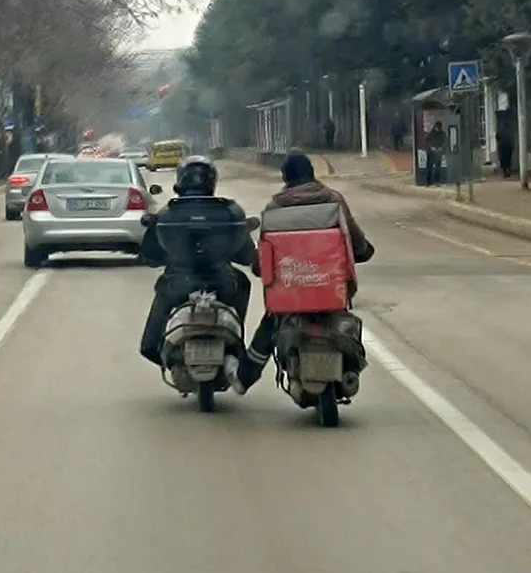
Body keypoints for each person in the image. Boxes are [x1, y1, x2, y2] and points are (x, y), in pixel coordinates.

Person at [225, 151, 374, 395]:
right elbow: (354, 238)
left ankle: (243, 379)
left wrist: (259, 267)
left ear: (285, 178)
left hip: (291, 294)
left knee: (271, 325)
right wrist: (364, 251)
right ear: (312, 174)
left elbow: (265, 253)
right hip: (329, 290)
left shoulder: (274, 207)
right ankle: (350, 369)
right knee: (345, 324)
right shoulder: (333, 200)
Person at [139, 155, 257, 370]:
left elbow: (150, 256)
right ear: (212, 181)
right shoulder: (227, 212)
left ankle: (159, 344)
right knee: (243, 283)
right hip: (223, 282)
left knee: (153, 333)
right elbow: (246, 254)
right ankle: (236, 341)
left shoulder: (168, 214)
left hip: (178, 283)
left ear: (180, 180)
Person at [425, 121, 446, 186]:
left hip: (438, 152)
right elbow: (427, 142)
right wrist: (431, 147)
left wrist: (441, 148)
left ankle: (437, 181)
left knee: (437, 168)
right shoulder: (431, 133)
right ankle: (428, 182)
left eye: (438, 128)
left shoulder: (442, 134)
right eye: (437, 128)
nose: (437, 129)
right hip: (431, 152)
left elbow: (445, 142)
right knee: (429, 168)